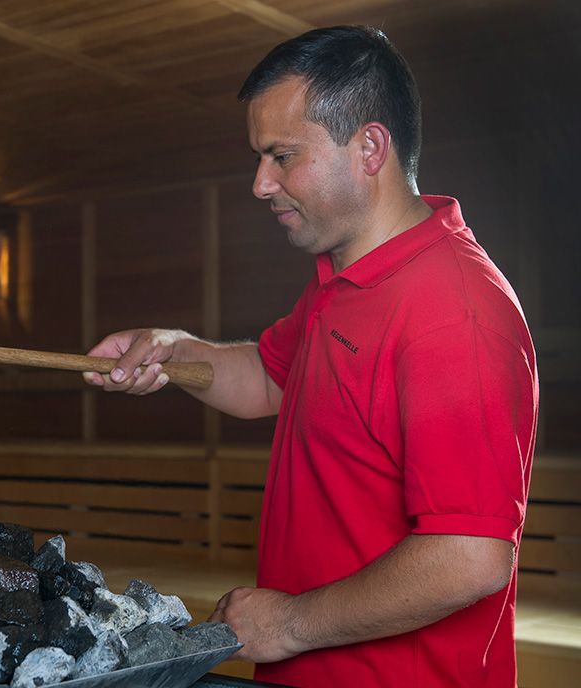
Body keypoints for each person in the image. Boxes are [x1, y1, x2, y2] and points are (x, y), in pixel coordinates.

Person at [83, 26, 538, 688]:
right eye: (260, 157)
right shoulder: (345, 278)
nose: (260, 183)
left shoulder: (455, 316)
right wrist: (173, 350)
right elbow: (269, 379)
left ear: (370, 148)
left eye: (282, 156)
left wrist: (290, 623)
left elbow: (470, 558)